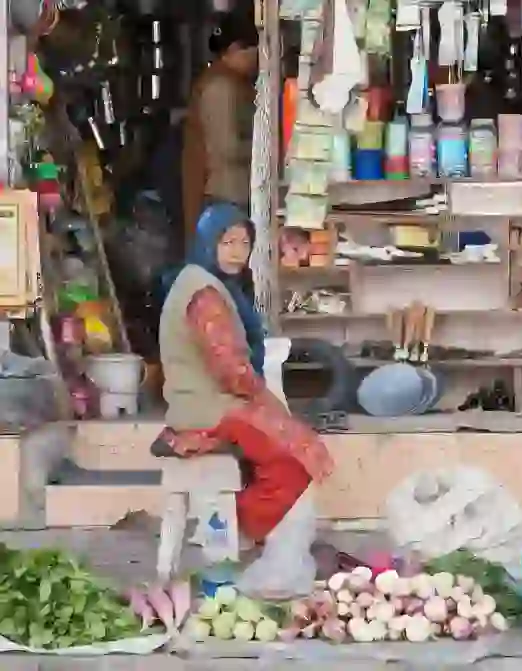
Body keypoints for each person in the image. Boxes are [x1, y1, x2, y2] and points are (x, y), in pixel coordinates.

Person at [156, 202, 333, 549]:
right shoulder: (205, 294)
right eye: (227, 243)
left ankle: (232, 526)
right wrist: (267, 402)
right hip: (208, 407)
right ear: (208, 243)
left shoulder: (204, 282)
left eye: (244, 243)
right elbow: (232, 370)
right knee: (295, 456)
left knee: (283, 438)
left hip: (209, 401)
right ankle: (230, 530)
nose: (238, 253)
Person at [181, 11, 259, 243]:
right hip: (224, 194)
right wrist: (269, 149)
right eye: (254, 51)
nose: (258, 59)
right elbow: (226, 148)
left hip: (232, 193)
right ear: (236, 49)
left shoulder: (236, 83)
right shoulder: (219, 87)